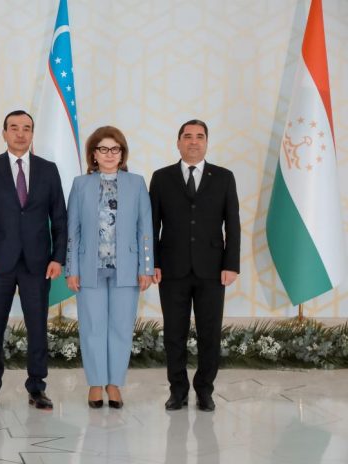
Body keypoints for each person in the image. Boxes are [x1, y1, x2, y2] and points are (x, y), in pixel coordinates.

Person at [0, 110, 67, 410]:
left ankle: (37, 387)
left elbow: (60, 218)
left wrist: (58, 258)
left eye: (26, 128)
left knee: (37, 328)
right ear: (4, 133)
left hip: (37, 264)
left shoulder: (48, 170)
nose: (20, 133)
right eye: (14, 128)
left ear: (32, 133)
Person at [149, 119, 240, 412]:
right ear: (178, 142)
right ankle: (177, 391)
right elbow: (151, 225)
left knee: (209, 334)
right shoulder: (161, 178)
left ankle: (204, 390)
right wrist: (153, 263)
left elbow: (233, 224)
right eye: (187, 136)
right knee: (173, 334)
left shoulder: (224, 177)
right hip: (171, 269)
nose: (193, 141)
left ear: (206, 142)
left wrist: (231, 264)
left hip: (212, 270)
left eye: (200, 136)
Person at [65, 126, 154, 409]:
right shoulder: (81, 185)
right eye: (103, 149)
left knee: (121, 327)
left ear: (122, 153)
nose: (109, 154)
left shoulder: (136, 183)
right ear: (94, 154)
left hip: (126, 268)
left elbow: (145, 228)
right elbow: (72, 230)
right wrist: (71, 268)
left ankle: (114, 383)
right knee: (92, 326)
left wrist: (147, 267)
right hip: (88, 268)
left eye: (115, 149)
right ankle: (95, 383)